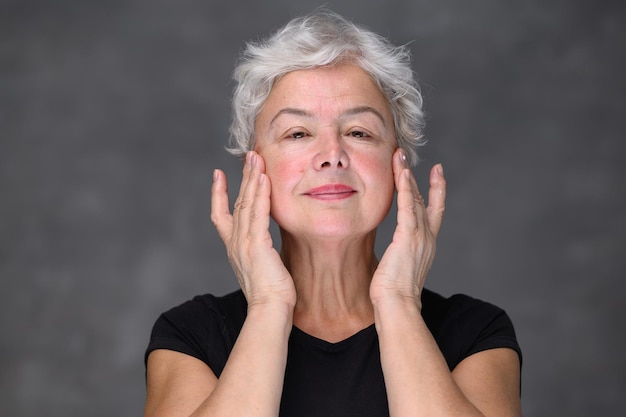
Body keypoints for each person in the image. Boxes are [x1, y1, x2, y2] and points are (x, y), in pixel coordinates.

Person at [143, 10, 522, 417]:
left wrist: (398, 302)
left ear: (399, 164)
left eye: (359, 132)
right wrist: (270, 304)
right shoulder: (191, 335)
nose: (332, 156)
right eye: (298, 133)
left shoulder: (476, 333)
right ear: (255, 168)